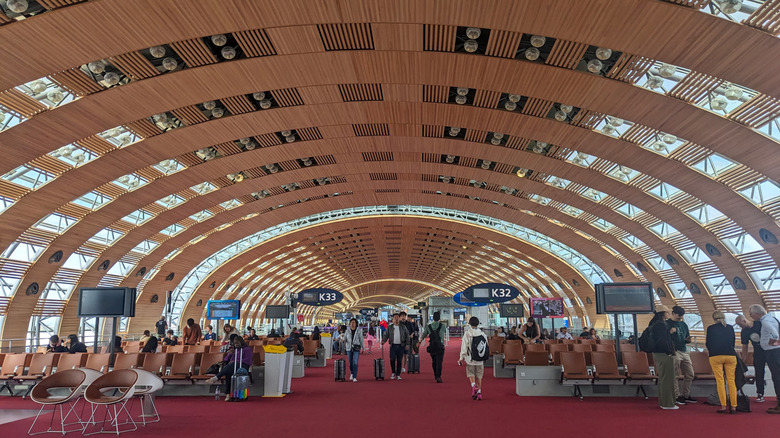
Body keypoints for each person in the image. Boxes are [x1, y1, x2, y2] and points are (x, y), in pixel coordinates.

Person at [748, 304, 780, 414]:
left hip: (772, 352)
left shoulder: (765, 322)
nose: (751, 316)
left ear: (757, 313)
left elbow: (775, 334)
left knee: (777, 377)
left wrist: (772, 342)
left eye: (751, 314)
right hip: (775, 351)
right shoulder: (772, 318)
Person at [706, 310, 738, 414]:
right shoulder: (730, 327)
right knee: (731, 381)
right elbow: (733, 342)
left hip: (715, 356)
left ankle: (723, 406)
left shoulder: (711, 328)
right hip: (730, 355)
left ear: (714, 318)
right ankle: (733, 406)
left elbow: (708, 343)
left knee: (720, 381)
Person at [648, 306, 677, 410]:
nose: (668, 314)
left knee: (663, 378)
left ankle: (663, 401)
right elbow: (663, 341)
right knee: (667, 379)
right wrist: (670, 352)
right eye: (667, 312)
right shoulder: (661, 325)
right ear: (662, 313)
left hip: (658, 353)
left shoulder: (653, 324)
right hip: (664, 354)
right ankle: (668, 403)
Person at [206, 336, 252, 401]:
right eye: (235, 343)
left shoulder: (247, 349)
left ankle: (216, 378)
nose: (236, 345)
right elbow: (226, 360)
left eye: (237, 343)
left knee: (231, 366)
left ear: (241, 342)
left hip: (243, 366)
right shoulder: (234, 349)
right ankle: (228, 394)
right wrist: (230, 354)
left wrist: (235, 361)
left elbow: (248, 360)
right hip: (233, 366)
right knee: (228, 373)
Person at [667, 305, 695, 404]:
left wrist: (688, 340)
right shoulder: (667, 324)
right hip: (674, 351)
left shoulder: (683, 324)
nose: (680, 318)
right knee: (674, 374)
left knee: (690, 374)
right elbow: (663, 338)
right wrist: (670, 332)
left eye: (682, 316)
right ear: (673, 313)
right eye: (678, 315)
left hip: (684, 350)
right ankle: (676, 395)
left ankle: (686, 394)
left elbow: (686, 337)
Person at [735, 314, 765, 403]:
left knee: (776, 372)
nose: (740, 327)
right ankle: (760, 394)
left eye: (740, 324)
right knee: (759, 373)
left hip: (768, 350)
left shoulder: (759, 324)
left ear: (744, 321)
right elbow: (745, 346)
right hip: (758, 353)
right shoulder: (744, 332)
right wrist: (743, 360)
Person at [459, 316, 487, 400]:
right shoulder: (482, 334)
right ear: (478, 324)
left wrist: (461, 358)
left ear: (470, 324)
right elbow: (486, 346)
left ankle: (473, 386)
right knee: (479, 376)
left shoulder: (467, 334)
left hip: (470, 359)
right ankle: (479, 393)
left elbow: (464, 347)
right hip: (480, 359)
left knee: (471, 373)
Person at [418, 311, 447, 383]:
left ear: (433, 318)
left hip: (432, 346)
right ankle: (438, 376)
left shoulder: (428, 327)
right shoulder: (443, 326)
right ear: (439, 318)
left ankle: (435, 375)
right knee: (439, 362)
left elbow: (424, 335)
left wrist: (419, 342)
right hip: (440, 346)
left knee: (434, 361)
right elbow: (444, 332)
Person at [382, 313, 410, 380]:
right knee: (392, 359)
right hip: (393, 346)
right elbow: (386, 335)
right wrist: (383, 340)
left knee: (399, 360)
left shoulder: (403, 327)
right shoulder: (390, 327)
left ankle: (398, 374)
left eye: (397, 317)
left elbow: (407, 335)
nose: (396, 319)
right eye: (395, 317)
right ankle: (393, 372)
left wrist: (407, 344)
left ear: (399, 318)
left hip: (401, 345)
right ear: (393, 319)